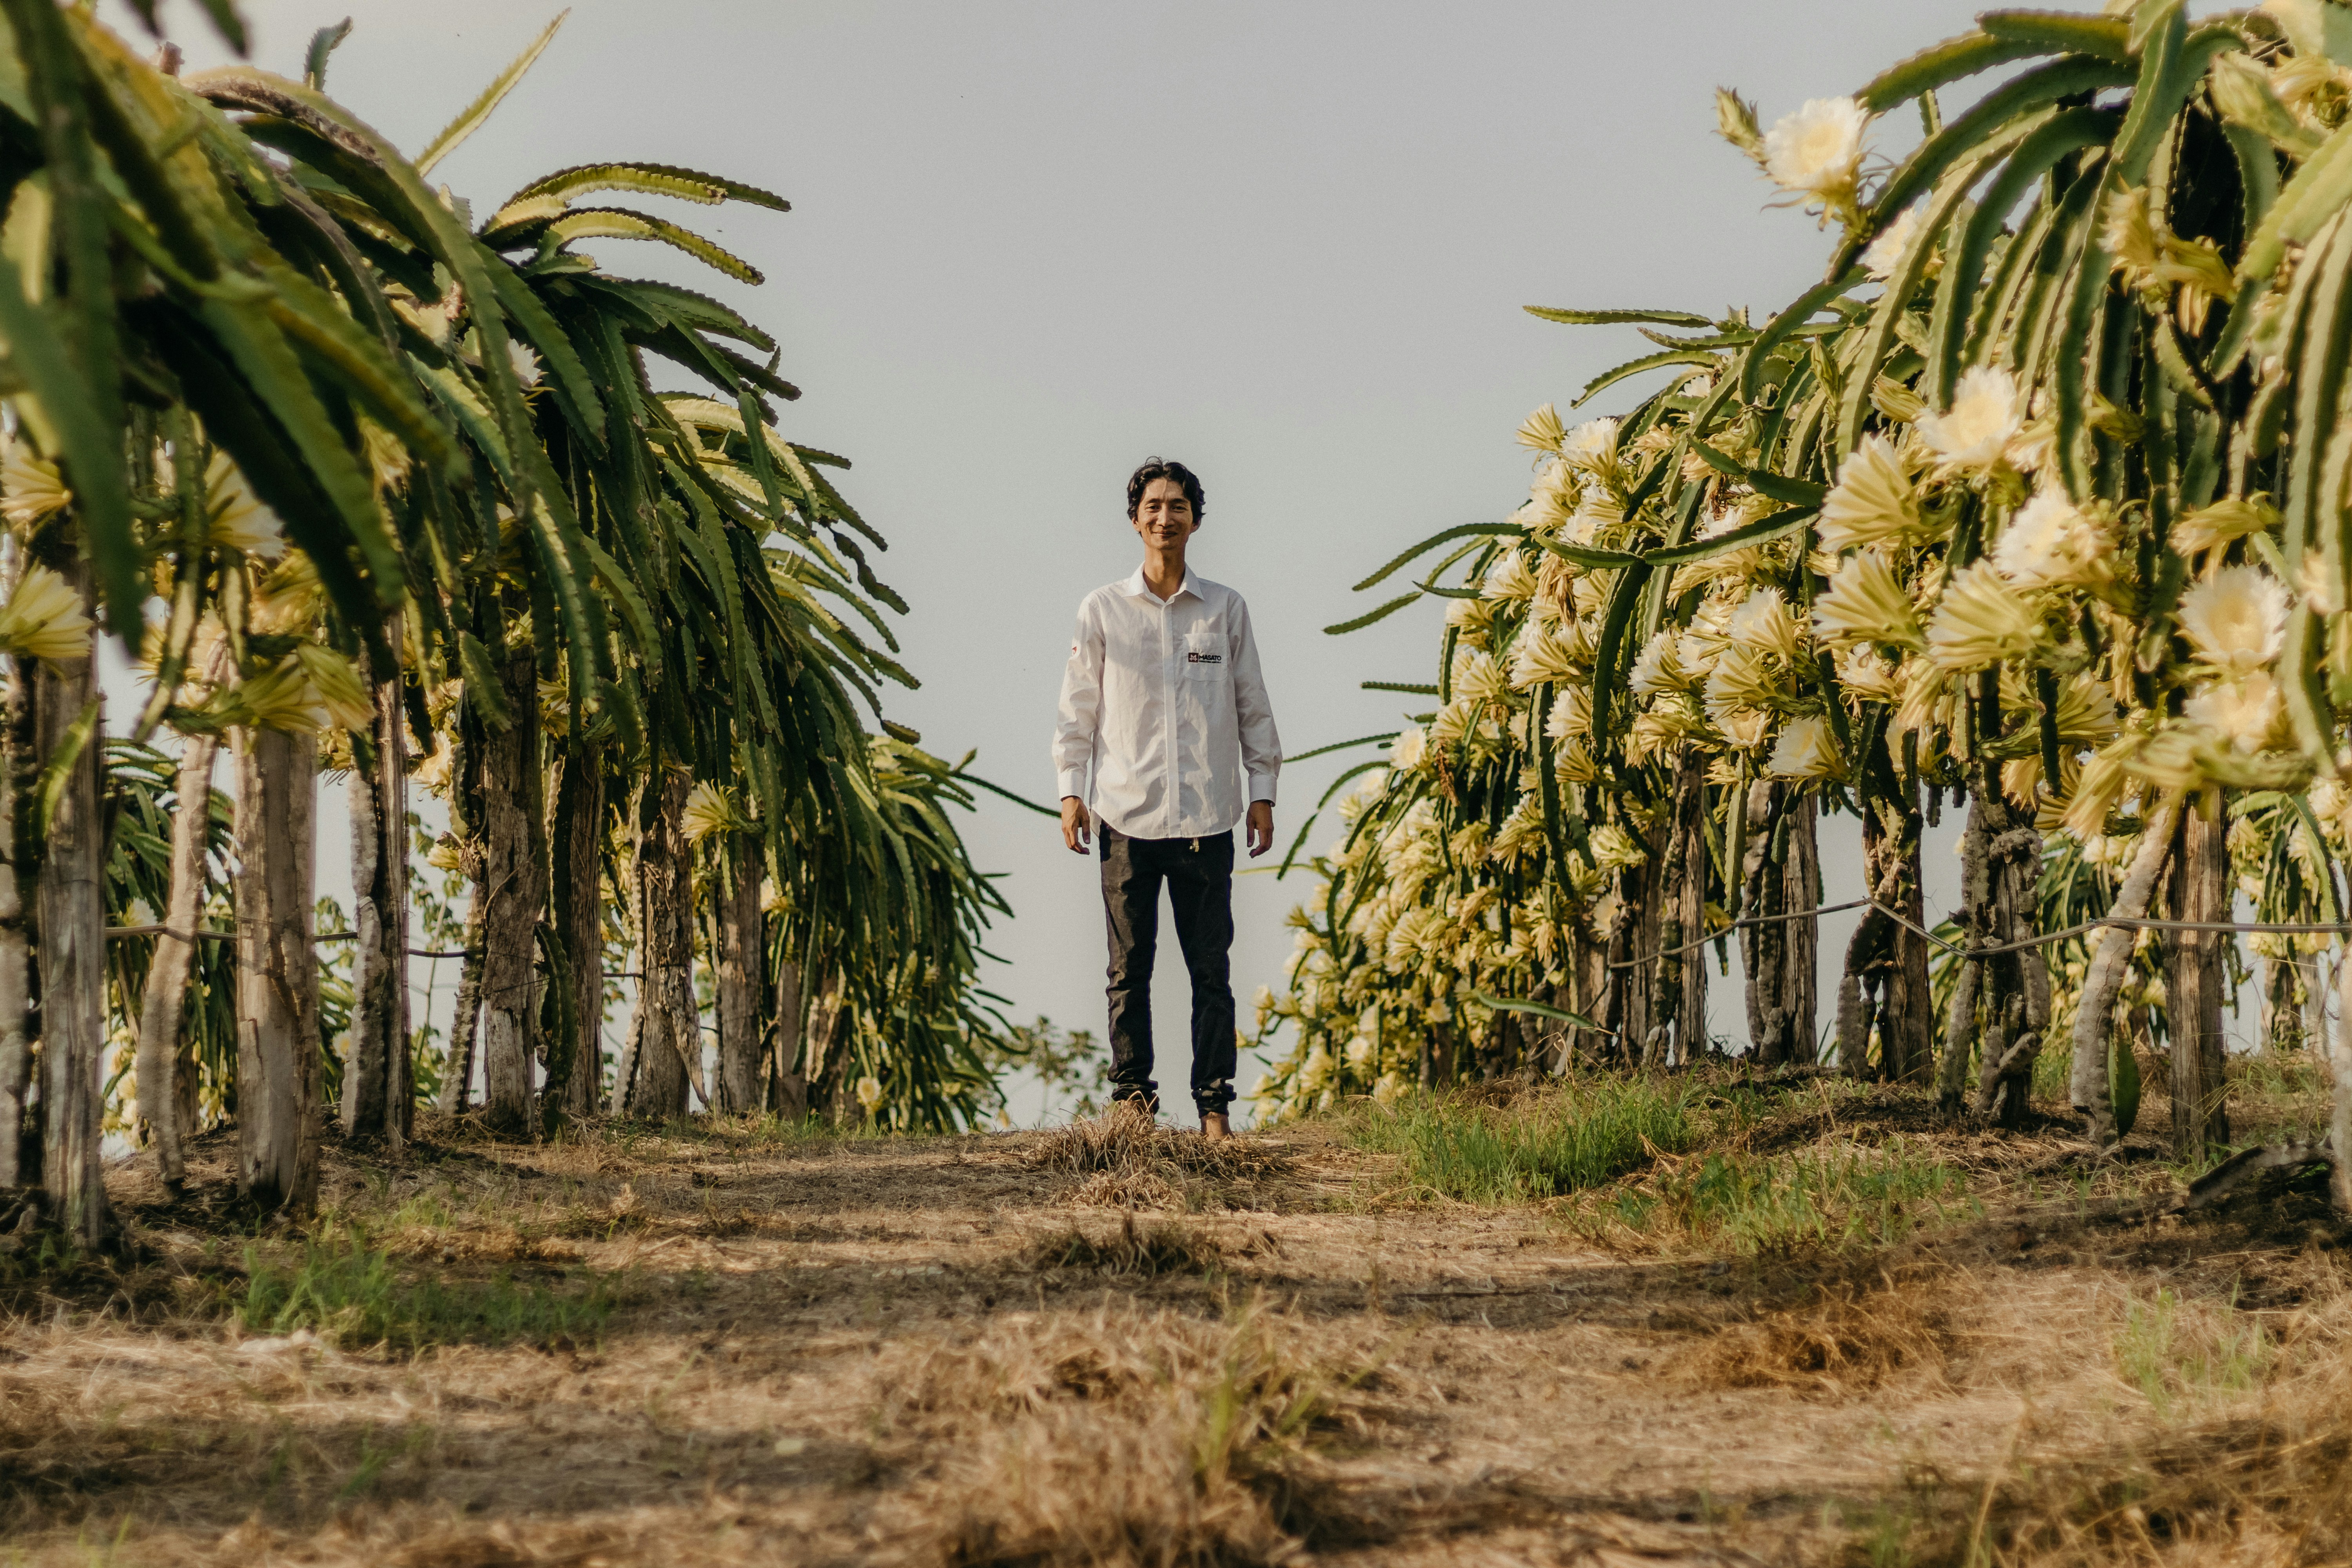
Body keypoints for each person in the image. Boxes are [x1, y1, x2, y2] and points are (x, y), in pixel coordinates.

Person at [1053, 457, 1281, 1140]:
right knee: (1129, 972)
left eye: (1177, 506)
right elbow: (1077, 712)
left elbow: (1253, 708)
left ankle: (1215, 1108)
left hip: (1208, 820)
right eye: (1153, 506)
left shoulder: (1225, 610)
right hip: (1125, 818)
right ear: (1135, 520)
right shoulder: (1102, 610)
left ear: (1196, 520)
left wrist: (1262, 793)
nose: (1165, 517)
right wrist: (1071, 793)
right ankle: (1134, 1102)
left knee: (1212, 972)